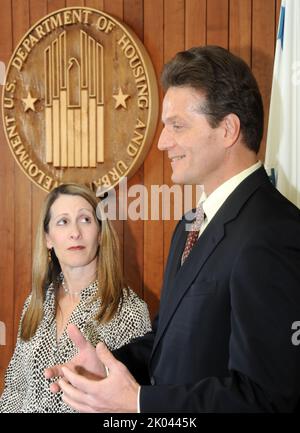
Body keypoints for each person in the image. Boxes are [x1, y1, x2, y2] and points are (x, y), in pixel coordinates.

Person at [45, 46, 300, 413]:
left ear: (228, 129)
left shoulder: (273, 232)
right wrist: (108, 365)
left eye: (177, 126)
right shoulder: (190, 225)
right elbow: (169, 343)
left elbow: (266, 398)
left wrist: (139, 402)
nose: (163, 142)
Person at [0, 183, 151, 413]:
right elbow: (16, 388)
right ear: (48, 239)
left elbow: (132, 401)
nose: (75, 232)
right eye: (63, 221)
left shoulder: (128, 310)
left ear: (100, 234)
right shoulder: (36, 303)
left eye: (85, 220)